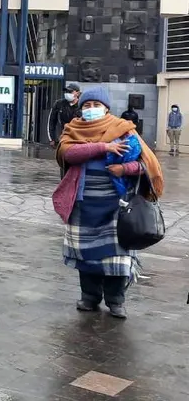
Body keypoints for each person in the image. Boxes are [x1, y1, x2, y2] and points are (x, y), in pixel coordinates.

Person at [54, 87, 164, 319]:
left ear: (106, 108)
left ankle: (116, 301)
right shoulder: (72, 129)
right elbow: (69, 154)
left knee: (117, 257)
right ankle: (90, 297)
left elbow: (145, 164)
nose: (91, 109)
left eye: (96, 105)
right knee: (87, 256)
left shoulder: (124, 130)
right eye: (86, 105)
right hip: (83, 204)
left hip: (116, 206)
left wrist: (123, 168)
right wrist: (104, 147)